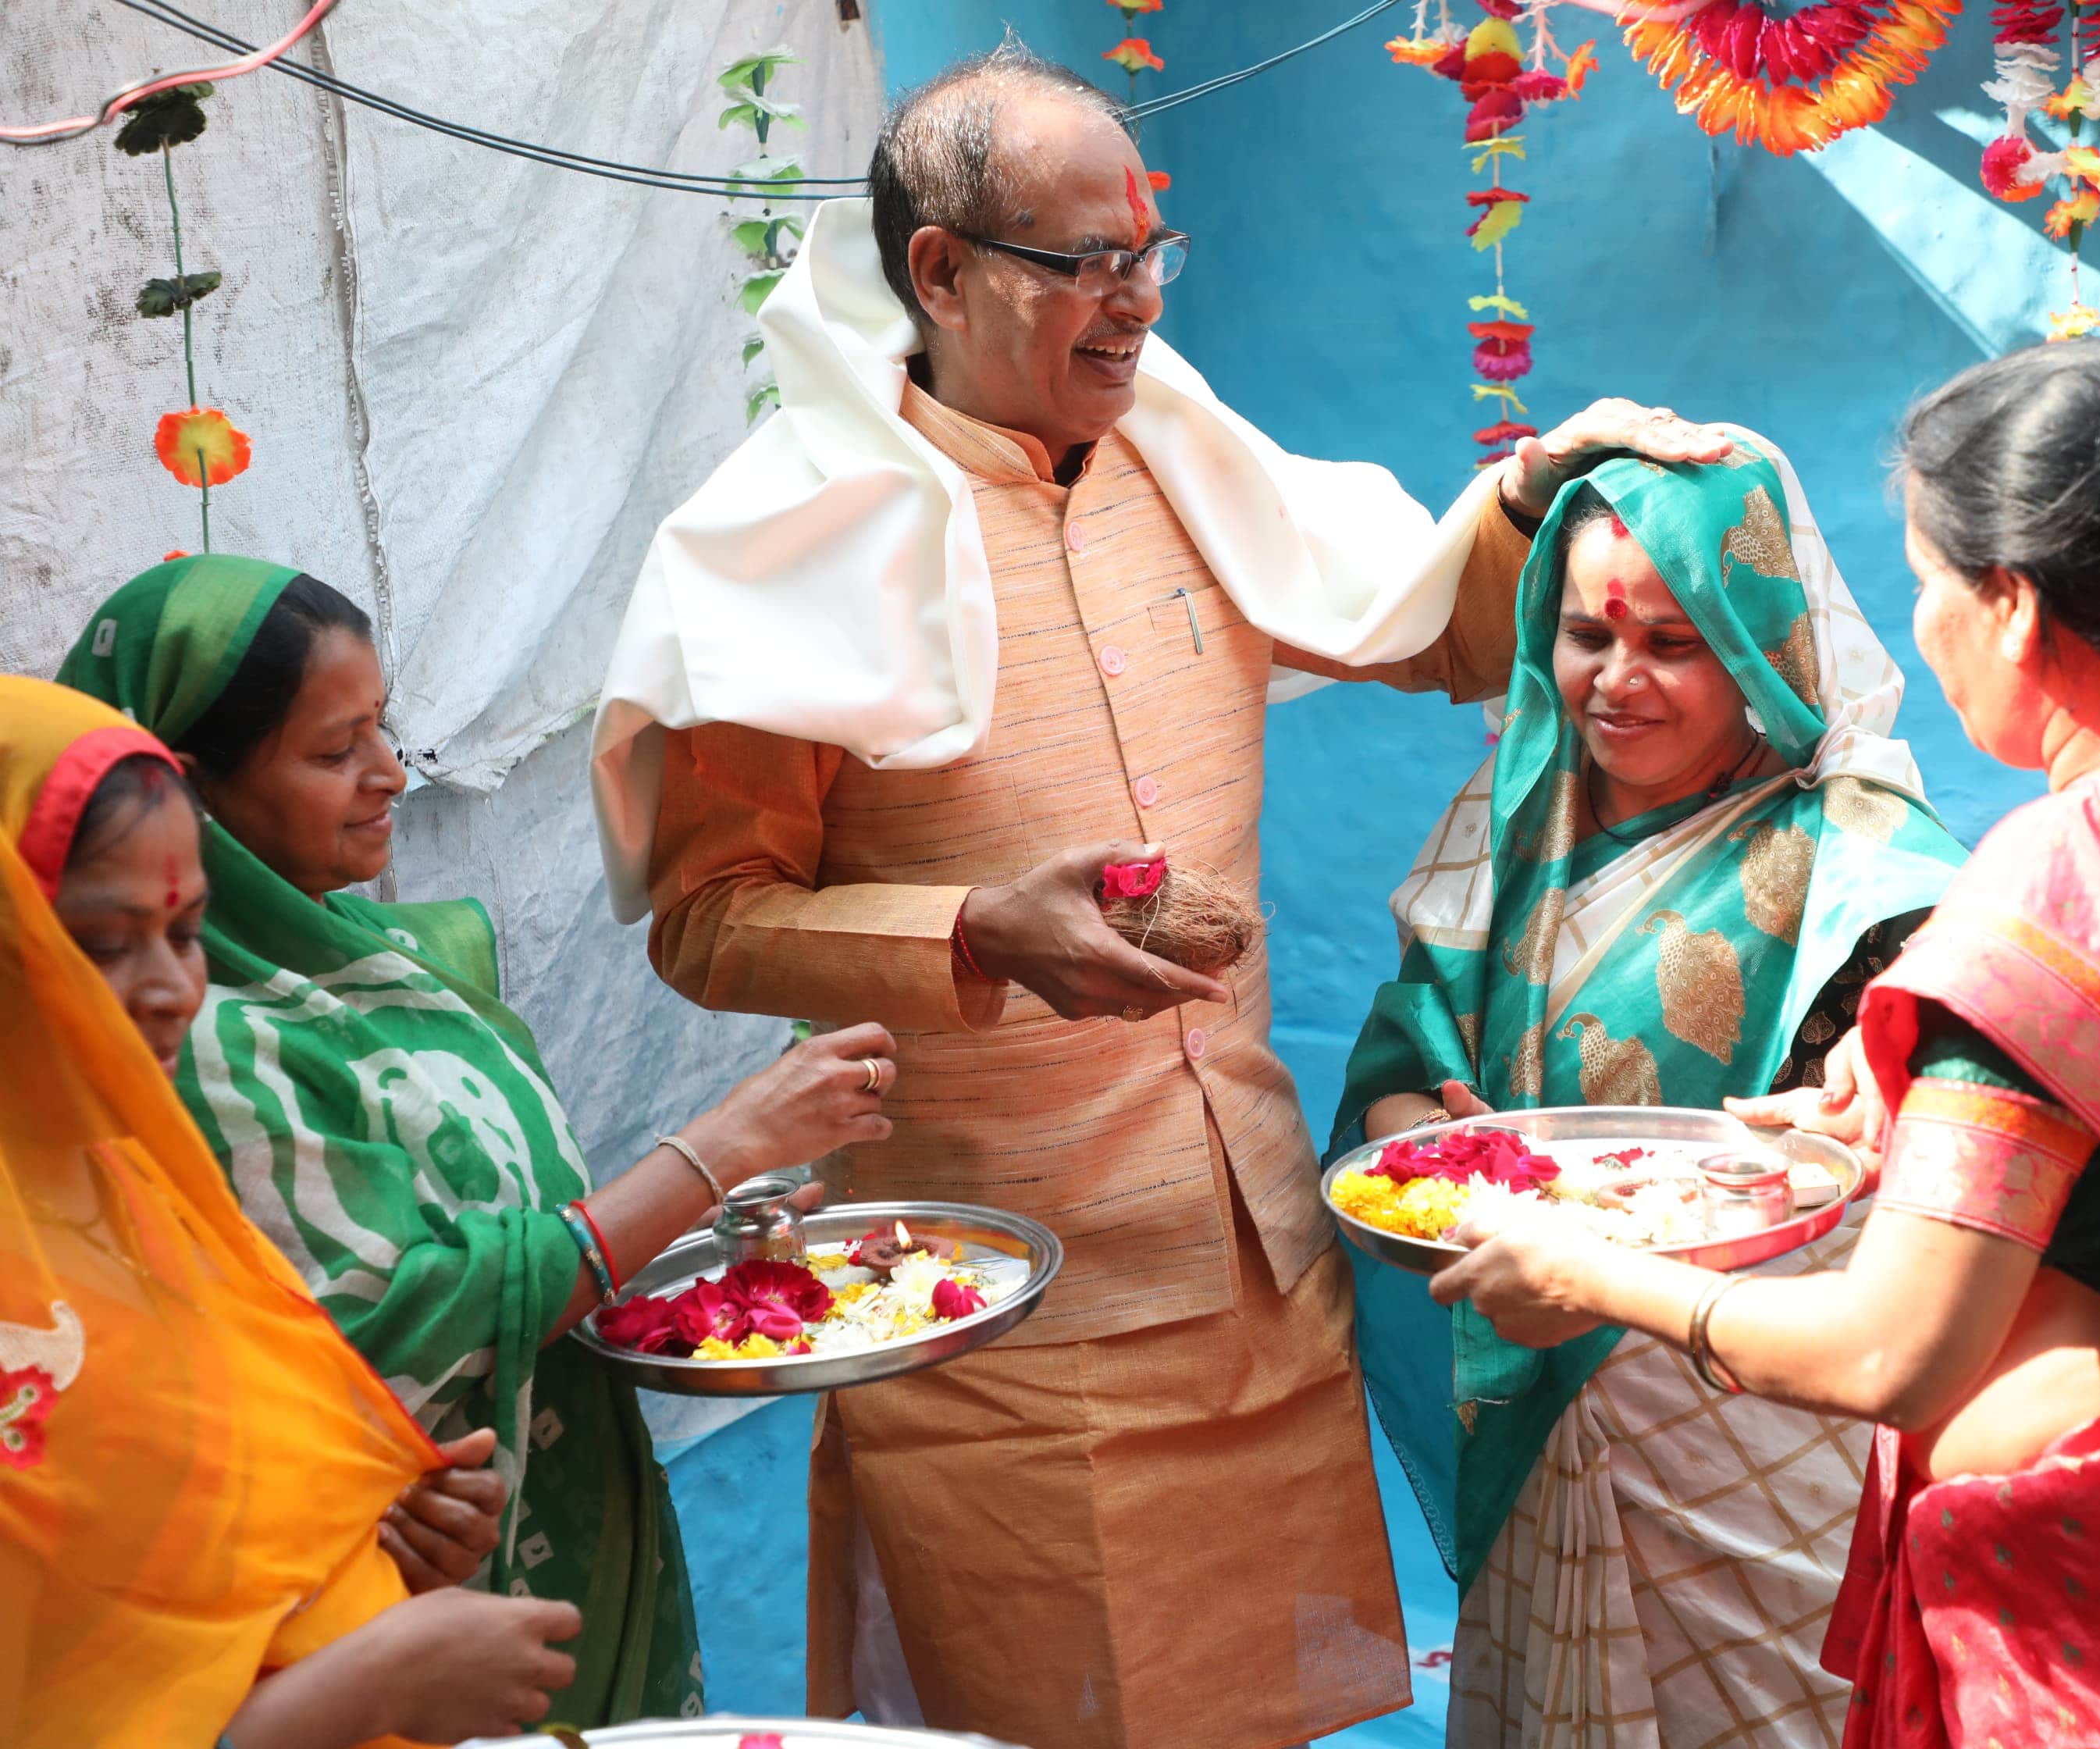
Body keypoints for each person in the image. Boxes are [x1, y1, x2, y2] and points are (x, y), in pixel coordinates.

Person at [589, 39, 1734, 1749]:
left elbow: (1433, 626)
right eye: (1085, 264)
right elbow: (707, 918)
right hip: (998, 1315)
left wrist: (1539, 490)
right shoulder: (787, 548)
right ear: (942, 273)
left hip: (1250, 1262)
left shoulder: (1181, 464)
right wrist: (979, 933)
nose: (1134, 304)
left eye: (1148, 254)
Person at [1430, 340, 2100, 1746]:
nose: (1917, 630)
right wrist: (1913, 1105)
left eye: (1928, 585)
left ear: (2011, 605)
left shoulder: (2061, 892)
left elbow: (1892, 1356)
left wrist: (1589, 1271)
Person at [55, 557, 905, 1727]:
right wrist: (718, 1148)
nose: (390, 774)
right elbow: (392, 1316)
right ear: (191, 792)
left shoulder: (382, 960)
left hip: (523, 1533)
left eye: (381, 729)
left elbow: (514, 1228)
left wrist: (708, 1234)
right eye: (331, 750)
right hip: (380, 1621)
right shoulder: (192, 1043)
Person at [1333, 440, 1965, 1747]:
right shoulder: (1518, 819)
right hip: (1529, 1368)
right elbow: (1409, 1051)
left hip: (1749, 1418)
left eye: (1673, 643)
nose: (1615, 683)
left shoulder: (1861, 858)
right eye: (1582, 636)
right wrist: (1436, 1172)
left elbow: (1914, 1149)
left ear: (1758, 649)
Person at [0, 675, 584, 1748]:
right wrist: (358, 1689)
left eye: (185, 931)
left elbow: (184, 1593)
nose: (175, 986)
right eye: (101, 943)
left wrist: (378, 1555)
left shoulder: (142, 1201)